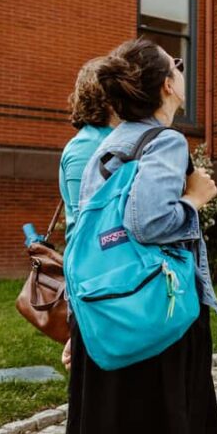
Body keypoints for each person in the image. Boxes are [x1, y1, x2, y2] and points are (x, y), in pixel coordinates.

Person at [63, 38, 217, 434]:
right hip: (160, 313)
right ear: (167, 86)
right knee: (167, 428)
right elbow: (150, 221)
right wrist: (195, 199)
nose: (182, 69)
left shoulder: (108, 145)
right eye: (177, 64)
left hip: (112, 309)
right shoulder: (165, 140)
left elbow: (85, 234)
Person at [58, 56, 119, 371]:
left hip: (110, 278)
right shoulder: (85, 147)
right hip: (95, 281)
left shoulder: (109, 140)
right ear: (106, 96)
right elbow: (89, 227)